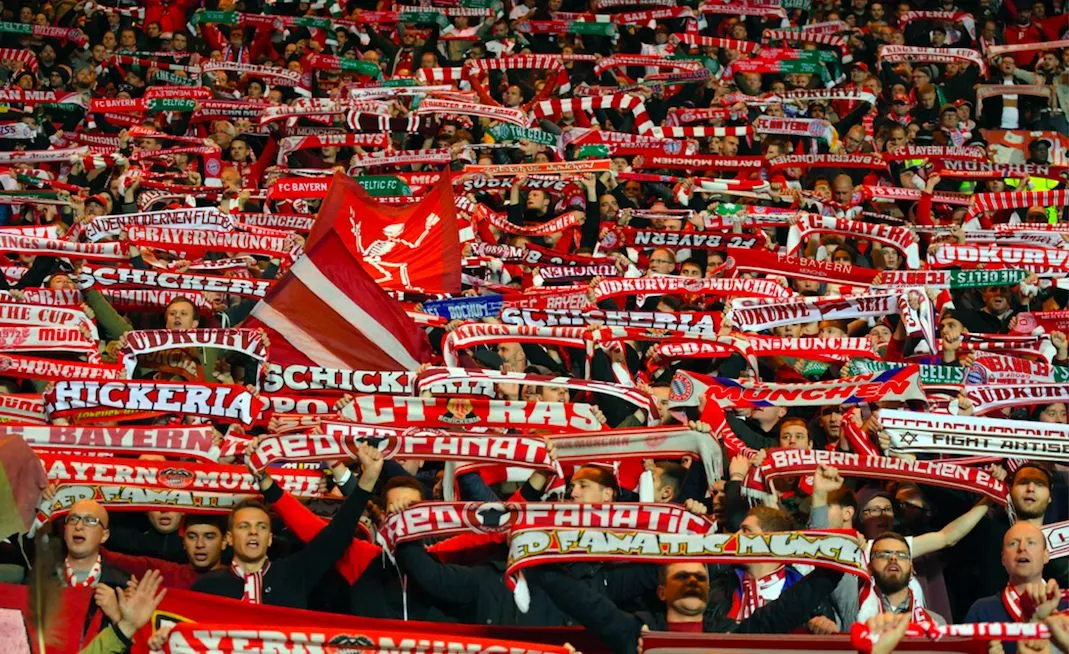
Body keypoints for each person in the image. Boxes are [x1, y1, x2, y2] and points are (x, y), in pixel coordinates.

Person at [190, 444, 384, 608]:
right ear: (229, 538)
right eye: (243, 526)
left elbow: (336, 536)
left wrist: (369, 478)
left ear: (270, 538)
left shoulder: (294, 573)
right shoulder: (207, 587)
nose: (253, 532)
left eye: (261, 527)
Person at [964, 523, 1068, 653]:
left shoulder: (1066, 605)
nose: (1022, 548)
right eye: (1013, 543)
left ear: (1046, 555)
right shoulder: (982, 611)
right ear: (1003, 558)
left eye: (1031, 542)